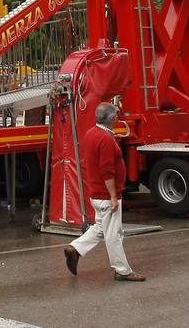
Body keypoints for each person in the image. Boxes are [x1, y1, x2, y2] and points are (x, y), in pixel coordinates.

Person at [63, 103, 146, 282]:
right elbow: (107, 170)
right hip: (106, 195)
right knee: (114, 234)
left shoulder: (91, 134)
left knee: (101, 227)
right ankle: (122, 270)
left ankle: (75, 249)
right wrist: (113, 196)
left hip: (97, 192)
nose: (117, 118)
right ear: (112, 118)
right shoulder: (106, 139)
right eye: (116, 116)